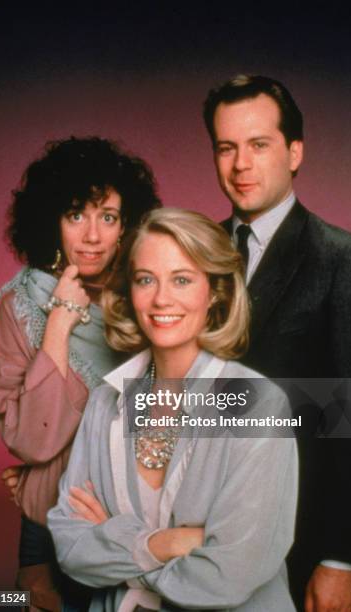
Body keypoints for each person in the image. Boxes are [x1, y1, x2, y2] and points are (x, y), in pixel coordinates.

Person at [48, 207, 298, 611]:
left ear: (214, 291)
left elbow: (229, 575)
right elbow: (71, 545)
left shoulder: (259, 403)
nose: (161, 299)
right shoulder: (104, 402)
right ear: (130, 290)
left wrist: (116, 548)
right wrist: (167, 544)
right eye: (146, 280)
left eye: (181, 279)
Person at [203, 74, 351, 611]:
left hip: (295, 542)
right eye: (226, 148)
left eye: (259, 145)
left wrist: (339, 560)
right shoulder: (191, 257)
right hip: (195, 531)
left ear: (295, 152)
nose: (240, 165)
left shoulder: (345, 261)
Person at [0, 136, 161, 612]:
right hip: (45, 530)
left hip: (130, 520)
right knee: (1, 602)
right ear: (52, 222)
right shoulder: (22, 306)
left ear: (127, 225)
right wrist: (59, 319)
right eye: (76, 215)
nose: (93, 236)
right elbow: (35, 441)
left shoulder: (153, 299)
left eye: (108, 216)